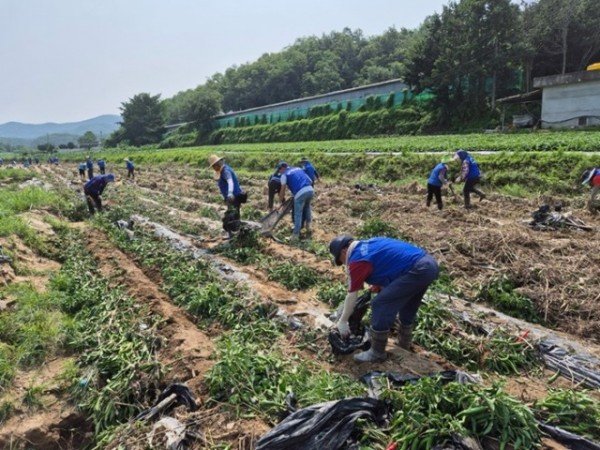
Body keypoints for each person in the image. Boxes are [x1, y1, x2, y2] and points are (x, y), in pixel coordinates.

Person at [330, 235, 439, 363]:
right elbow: (390, 261)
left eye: (341, 260)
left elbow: (352, 294)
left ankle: (377, 352)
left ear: (344, 251)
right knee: (408, 304)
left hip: (418, 269)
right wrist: (379, 283)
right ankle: (404, 344)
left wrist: (343, 321)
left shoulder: (357, 260)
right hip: (429, 265)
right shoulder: (371, 243)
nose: (344, 263)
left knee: (380, 303)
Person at [208, 154, 247, 238]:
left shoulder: (225, 171)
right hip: (232, 197)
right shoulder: (223, 170)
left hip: (234, 197)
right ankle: (236, 234)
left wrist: (229, 193)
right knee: (234, 215)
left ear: (217, 165)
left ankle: (234, 234)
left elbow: (230, 181)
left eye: (213, 166)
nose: (213, 168)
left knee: (231, 217)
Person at [276, 161, 314, 240]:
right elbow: (310, 180)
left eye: (279, 170)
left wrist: (280, 201)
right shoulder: (298, 168)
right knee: (307, 207)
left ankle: (295, 235)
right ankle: (309, 227)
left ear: (282, 168)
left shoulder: (284, 175)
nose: (279, 172)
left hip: (300, 192)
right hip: (310, 190)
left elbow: (283, 190)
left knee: (298, 213)